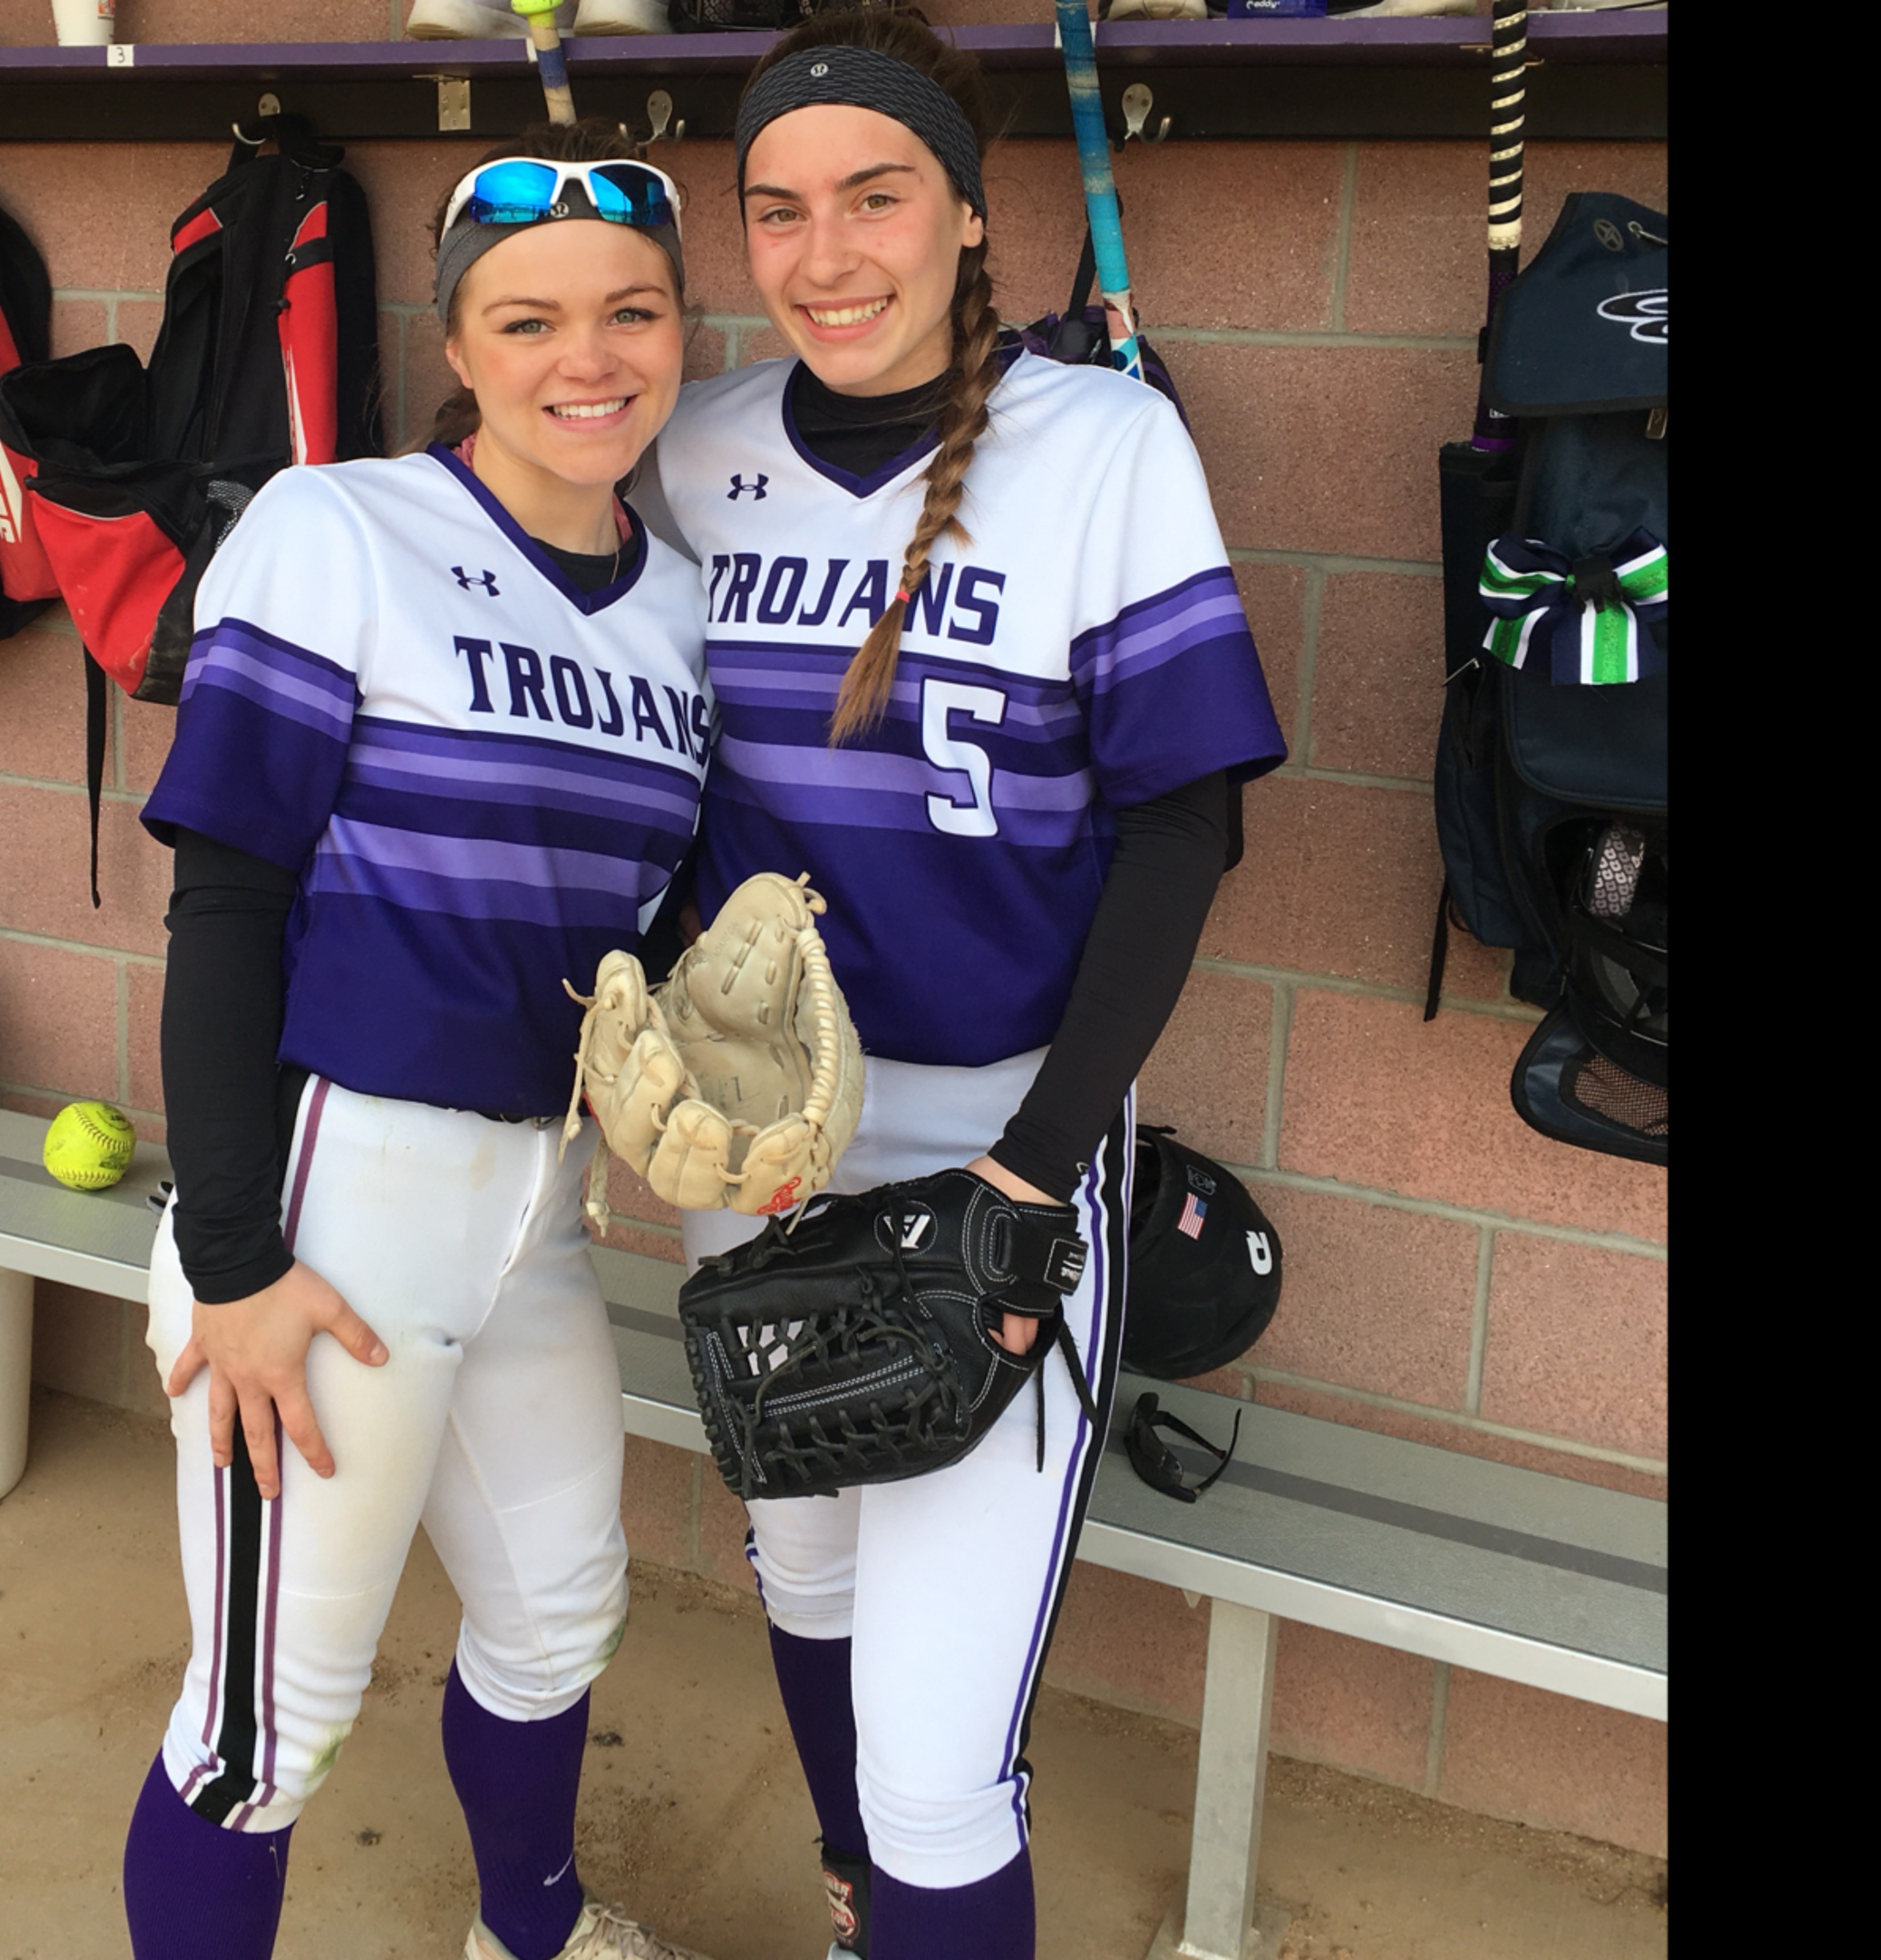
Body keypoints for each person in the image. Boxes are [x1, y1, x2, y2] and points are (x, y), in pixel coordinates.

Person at [632, 12, 1288, 1957]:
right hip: (752, 1149)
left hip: (996, 1154)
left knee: (942, 1768)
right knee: (811, 1584)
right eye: (776, 210)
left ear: (971, 216)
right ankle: (859, 1914)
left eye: (875, 197)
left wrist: (1033, 1172)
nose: (826, 254)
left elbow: (1188, 832)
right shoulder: (696, 445)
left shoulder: (1105, 443)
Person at [125, 123, 715, 1960]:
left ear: (684, 332)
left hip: (536, 1198)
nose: (586, 358)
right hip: (333, 1197)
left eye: (631, 312)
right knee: (262, 1731)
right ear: (457, 347)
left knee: (557, 1620)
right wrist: (230, 1260)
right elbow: (224, 905)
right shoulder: (338, 528)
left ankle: (531, 1933)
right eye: (526, 319)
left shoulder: (680, 607)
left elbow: (645, 934)